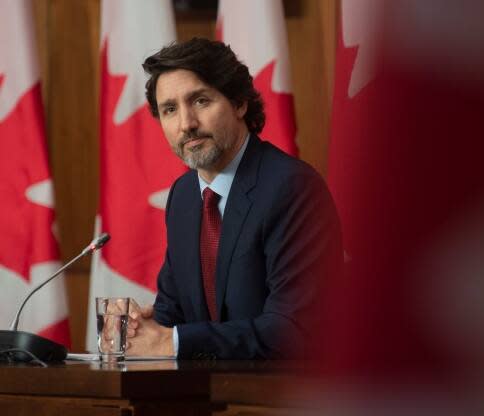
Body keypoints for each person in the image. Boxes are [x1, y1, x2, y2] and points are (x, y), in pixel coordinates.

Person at [124, 38, 342, 360]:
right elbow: (175, 314)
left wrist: (175, 342)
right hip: (206, 399)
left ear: (239, 103)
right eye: (170, 110)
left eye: (200, 101)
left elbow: (293, 328)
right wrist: (140, 326)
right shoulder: (183, 196)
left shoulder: (292, 188)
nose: (187, 124)